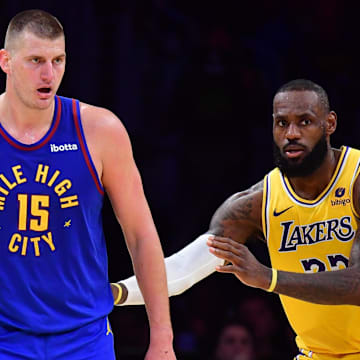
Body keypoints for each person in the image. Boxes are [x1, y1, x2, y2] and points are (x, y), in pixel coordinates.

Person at [112, 79, 360, 359]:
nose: (292, 133)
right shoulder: (256, 203)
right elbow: (184, 269)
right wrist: (115, 293)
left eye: (305, 122)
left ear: (330, 124)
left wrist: (268, 278)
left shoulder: (356, 180)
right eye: (282, 123)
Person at [0, 9, 175, 360]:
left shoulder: (100, 130)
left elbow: (141, 235)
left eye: (58, 60)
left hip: (83, 338)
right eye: (35, 60)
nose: (49, 74)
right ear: (6, 61)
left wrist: (163, 341)